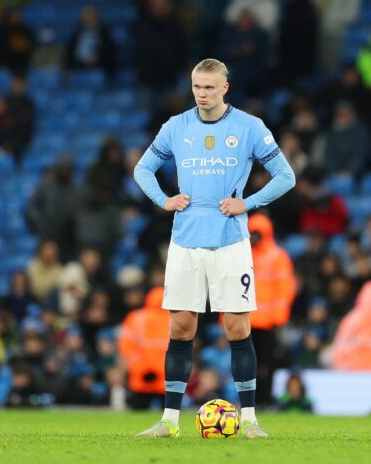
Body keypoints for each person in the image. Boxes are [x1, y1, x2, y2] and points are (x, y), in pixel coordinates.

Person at [133, 58, 295, 439]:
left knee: (237, 326)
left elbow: (286, 176)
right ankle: (169, 422)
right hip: (185, 240)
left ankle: (251, 419)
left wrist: (248, 202)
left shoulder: (249, 127)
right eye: (196, 87)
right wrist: (162, 199)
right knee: (181, 326)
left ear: (225, 87)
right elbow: (142, 168)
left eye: (209, 87)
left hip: (230, 241)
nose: (202, 94)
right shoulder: (176, 127)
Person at [247, 214, 295, 407]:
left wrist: (279, 316)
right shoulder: (245, 254)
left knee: (267, 364)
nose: (255, 237)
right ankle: (250, 400)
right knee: (249, 363)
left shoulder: (277, 256)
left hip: (268, 322)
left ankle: (265, 399)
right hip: (247, 320)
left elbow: (285, 287)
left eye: (258, 233)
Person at [118, 287, 170, 409]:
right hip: (166, 376)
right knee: (169, 418)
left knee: (137, 415)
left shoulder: (136, 317)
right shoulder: (174, 319)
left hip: (140, 374)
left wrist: (131, 365)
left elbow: (125, 344)